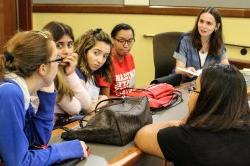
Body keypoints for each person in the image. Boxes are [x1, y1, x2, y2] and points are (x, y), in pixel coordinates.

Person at [0, 31, 89, 165]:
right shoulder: (10, 93)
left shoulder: (21, 89)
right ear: (43, 68)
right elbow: (18, 163)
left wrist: (47, 96)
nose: (59, 64)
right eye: (57, 59)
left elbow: (37, 141)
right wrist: (64, 150)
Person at [135, 64, 250, 166]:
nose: (190, 94)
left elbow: (141, 135)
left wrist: (177, 122)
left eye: (194, 88)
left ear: (206, 98)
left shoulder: (184, 138)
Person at [42, 21, 92, 125]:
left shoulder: (65, 69)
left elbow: (87, 104)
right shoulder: (47, 73)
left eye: (70, 45)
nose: (67, 51)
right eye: (59, 46)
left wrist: (70, 73)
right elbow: (75, 108)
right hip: (47, 132)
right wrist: (71, 75)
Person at [174, 7, 229, 82]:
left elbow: (226, 69)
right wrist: (186, 70)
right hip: (186, 86)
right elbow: (178, 69)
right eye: (201, 21)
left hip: (208, 86)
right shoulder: (185, 40)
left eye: (208, 23)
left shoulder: (219, 44)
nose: (203, 26)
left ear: (216, 26)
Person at [74, 28, 112, 110]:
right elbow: (88, 109)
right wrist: (104, 99)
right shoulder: (76, 73)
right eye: (96, 53)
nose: (100, 60)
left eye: (105, 56)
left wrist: (101, 98)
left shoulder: (91, 73)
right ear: (85, 50)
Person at [97, 23, 136, 96]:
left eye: (130, 41)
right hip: (114, 105)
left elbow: (132, 88)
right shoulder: (106, 61)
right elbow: (105, 99)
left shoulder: (130, 57)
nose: (126, 45)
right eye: (121, 41)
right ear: (112, 40)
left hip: (129, 102)